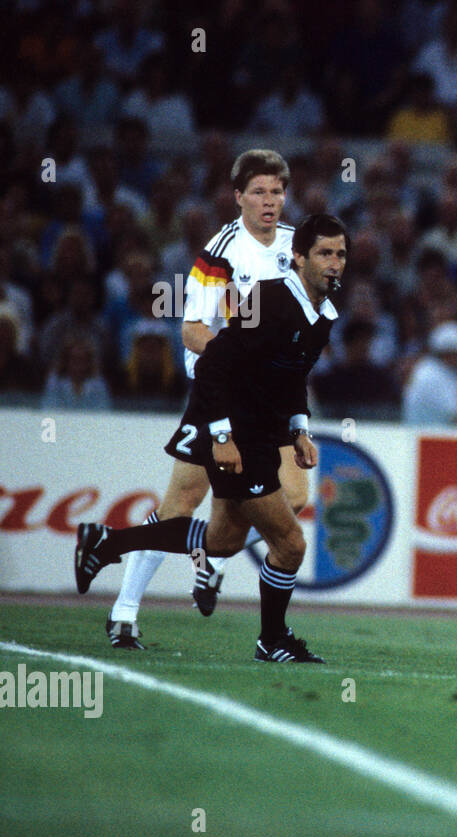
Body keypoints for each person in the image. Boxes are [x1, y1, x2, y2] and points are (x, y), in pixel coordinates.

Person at [75, 214, 349, 664]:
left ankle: (105, 543)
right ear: (298, 257)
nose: (334, 263)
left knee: (220, 541)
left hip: (263, 430)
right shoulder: (271, 302)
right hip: (236, 430)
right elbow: (213, 365)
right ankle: (272, 640)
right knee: (291, 543)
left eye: (340, 254)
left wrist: (299, 428)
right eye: (324, 253)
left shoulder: (324, 313)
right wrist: (222, 436)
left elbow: (294, 376)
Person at [104, 149, 307, 650]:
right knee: (180, 504)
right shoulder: (221, 251)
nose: (269, 201)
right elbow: (192, 330)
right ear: (238, 197)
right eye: (258, 191)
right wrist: (242, 358)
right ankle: (124, 611)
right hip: (222, 392)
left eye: (277, 191)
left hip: (271, 394)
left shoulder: (295, 246)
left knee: (295, 496)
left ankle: (211, 559)